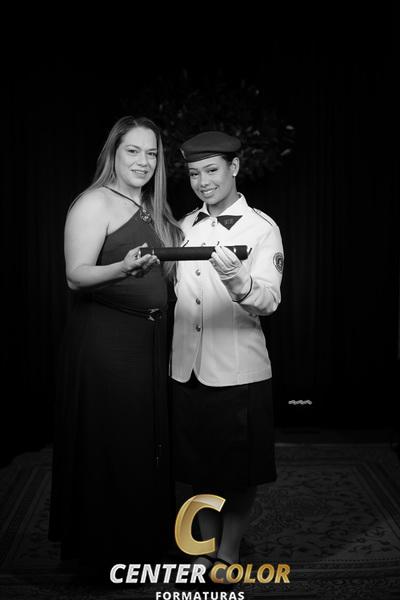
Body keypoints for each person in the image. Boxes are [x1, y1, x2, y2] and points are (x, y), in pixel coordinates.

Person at [49, 116, 183, 578]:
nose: (143, 161)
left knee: (143, 446)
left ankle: (142, 544)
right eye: (133, 151)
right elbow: (75, 275)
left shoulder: (152, 205)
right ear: (114, 152)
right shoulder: (94, 202)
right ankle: (104, 555)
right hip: (107, 342)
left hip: (149, 341)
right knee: (112, 445)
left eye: (152, 154)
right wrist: (121, 270)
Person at [170, 131, 284, 582]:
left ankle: (229, 554)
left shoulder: (262, 228)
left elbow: (269, 301)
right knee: (195, 470)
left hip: (239, 372)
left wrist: (238, 281)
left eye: (212, 170)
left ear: (234, 168)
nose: (203, 182)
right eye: (194, 173)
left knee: (238, 473)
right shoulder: (183, 226)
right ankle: (203, 549)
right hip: (186, 369)